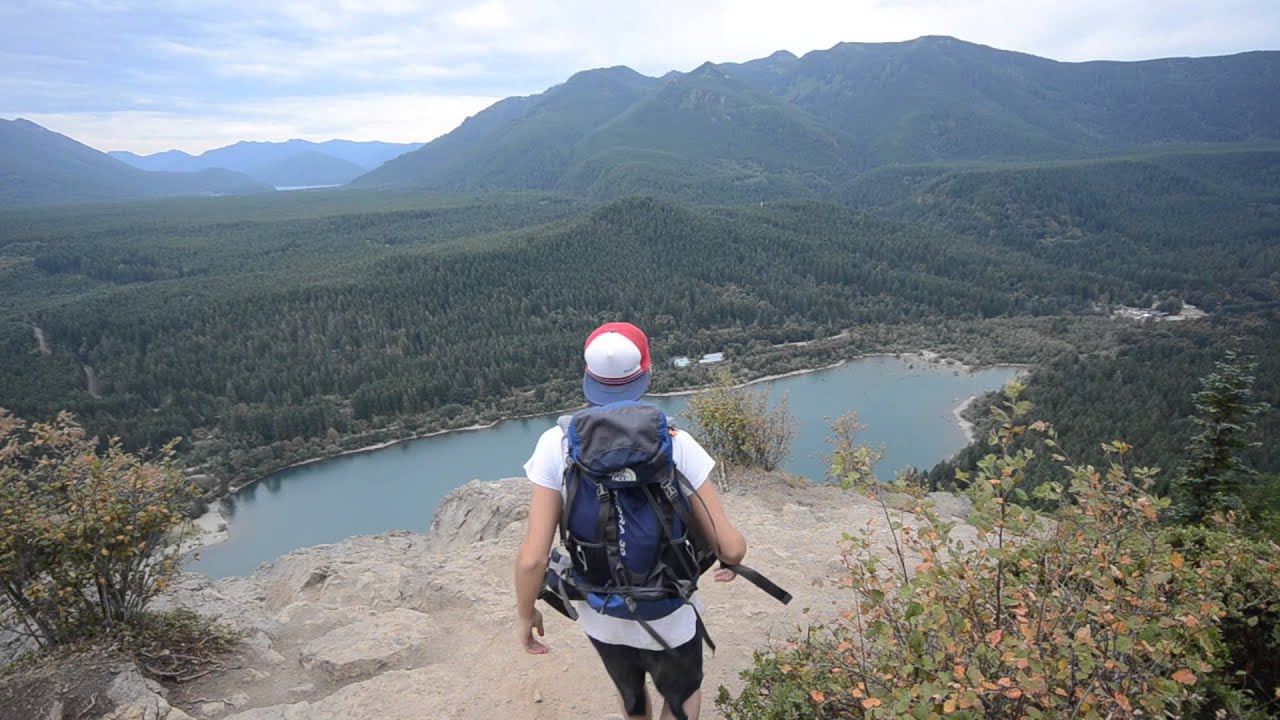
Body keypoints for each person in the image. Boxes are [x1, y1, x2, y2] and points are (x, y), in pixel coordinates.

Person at [514, 321, 747, 720]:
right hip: (670, 611)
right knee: (682, 697)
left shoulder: (556, 444)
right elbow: (730, 546)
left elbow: (533, 558)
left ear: (588, 377)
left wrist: (525, 613)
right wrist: (731, 559)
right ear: (647, 372)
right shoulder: (676, 443)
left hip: (602, 613)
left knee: (631, 695)